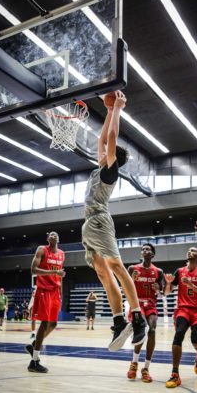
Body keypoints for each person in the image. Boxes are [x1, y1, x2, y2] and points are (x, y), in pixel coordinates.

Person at [81, 90, 146, 352]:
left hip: (99, 221)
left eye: (108, 151)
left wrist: (118, 108)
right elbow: (102, 138)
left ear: (113, 158)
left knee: (117, 268)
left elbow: (110, 137)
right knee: (102, 273)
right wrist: (108, 111)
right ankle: (119, 322)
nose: (104, 149)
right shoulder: (101, 167)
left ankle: (138, 318)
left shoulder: (111, 172)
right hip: (89, 226)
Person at [164, 247, 197, 388]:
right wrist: (168, 283)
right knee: (178, 335)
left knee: (196, 341)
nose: (190, 252)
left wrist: (191, 285)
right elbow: (166, 293)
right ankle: (175, 374)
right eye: (189, 251)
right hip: (183, 310)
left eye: (194, 251)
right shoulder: (179, 271)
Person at [25, 231, 65, 373]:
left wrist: (60, 292)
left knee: (53, 324)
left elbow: (60, 275)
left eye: (56, 234)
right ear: (48, 238)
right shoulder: (41, 249)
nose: (54, 235)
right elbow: (33, 270)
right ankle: (34, 361)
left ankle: (34, 345)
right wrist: (54, 273)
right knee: (44, 323)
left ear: (58, 239)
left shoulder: (61, 253)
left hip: (55, 291)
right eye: (51, 234)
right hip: (43, 290)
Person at [126, 243, 164, 383]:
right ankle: (134, 364)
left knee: (152, 330)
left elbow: (161, 294)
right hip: (137, 303)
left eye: (147, 249)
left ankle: (146, 368)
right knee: (142, 328)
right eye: (143, 249)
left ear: (152, 254)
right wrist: (132, 280)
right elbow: (123, 288)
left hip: (151, 304)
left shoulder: (158, 271)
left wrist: (158, 290)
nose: (145, 251)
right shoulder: (132, 268)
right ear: (141, 254)